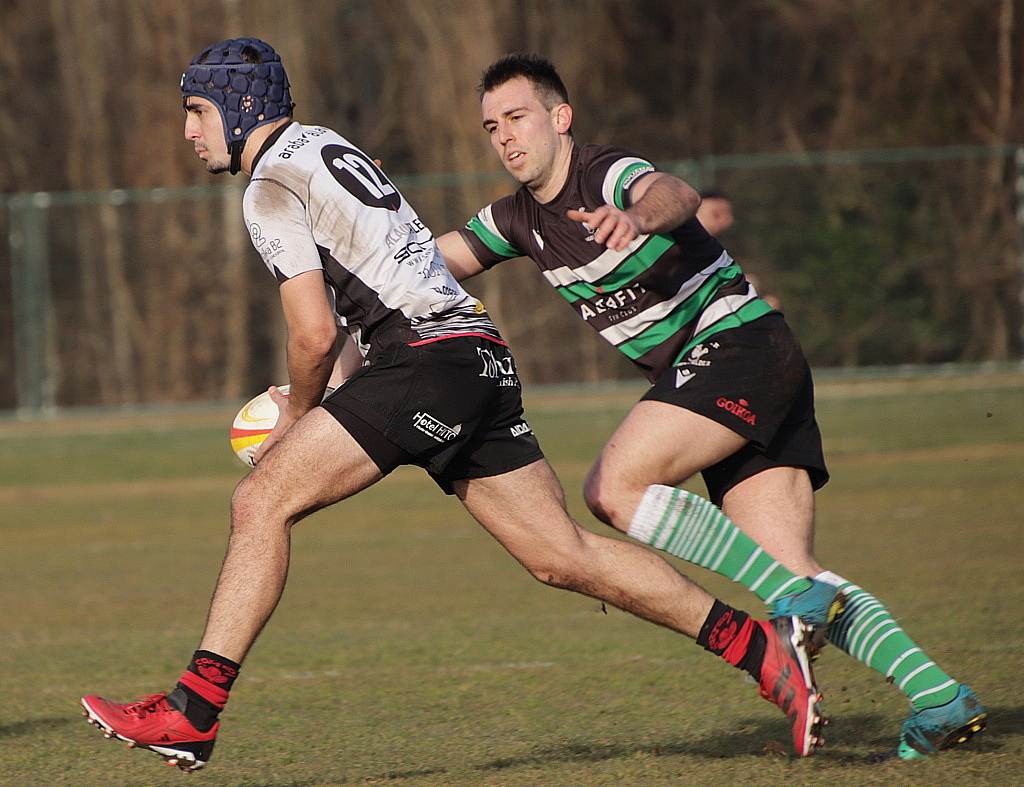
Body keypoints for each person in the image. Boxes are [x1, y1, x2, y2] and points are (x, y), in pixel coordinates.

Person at [79, 38, 828, 773]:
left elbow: (310, 333)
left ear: (239, 109)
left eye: (196, 111)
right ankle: (764, 653)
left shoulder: (269, 185)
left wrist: (300, 413)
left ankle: (194, 710)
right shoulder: (323, 146)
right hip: (476, 357)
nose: (188, 130)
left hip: (425, 362)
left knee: (260, 500)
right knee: (559, 555)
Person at [436, 53, 986, 760]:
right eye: (491, 126)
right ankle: (939, 695)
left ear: (559, 118)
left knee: (614, 487)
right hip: (753, 364)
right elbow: (429, 260)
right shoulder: (513, 219)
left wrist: (633, 218)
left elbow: (675, 192)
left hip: (738, 345)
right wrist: (361, 244)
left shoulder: (602, 173)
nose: (505, 135)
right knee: (798, 570)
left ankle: (792, 595)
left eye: (516, 116)